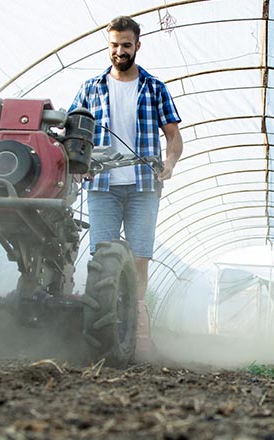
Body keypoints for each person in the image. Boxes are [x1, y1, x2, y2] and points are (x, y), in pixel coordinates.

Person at [69, 15, 183, 361]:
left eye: (126, 45)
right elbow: (74, 134)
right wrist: (77, 168)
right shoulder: (90, 88)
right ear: (109, 45)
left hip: (143, 186)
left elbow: (174, 137)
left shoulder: (155, 88)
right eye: (114, 45)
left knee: (138, 259)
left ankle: (136, 329)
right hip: (102, 184)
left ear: (137, 45)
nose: (119, 51)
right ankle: (102, 327)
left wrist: (170, 163)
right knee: (101, 257)